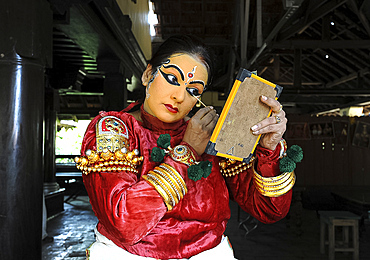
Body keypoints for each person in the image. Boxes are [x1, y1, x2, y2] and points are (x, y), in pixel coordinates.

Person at [75, 35, 292, 260]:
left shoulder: (210, 136)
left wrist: (269, 150)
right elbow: (124, 224)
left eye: (194, 91)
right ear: (148, 74)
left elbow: (270, 210)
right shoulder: (115, 128)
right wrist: (186, 151)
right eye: (172, 78)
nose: (179, 96)